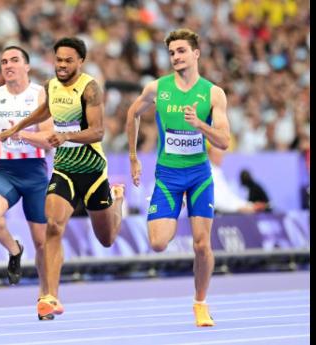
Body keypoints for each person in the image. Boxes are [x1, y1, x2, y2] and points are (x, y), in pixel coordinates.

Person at [0, 37, 125, 321]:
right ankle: (50, 297)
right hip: (64, 168)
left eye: (69, 60)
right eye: (59, 60)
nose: (63, 65)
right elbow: (45, 111)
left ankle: (117, 200)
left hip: (92, 171)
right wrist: (17, 127)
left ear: (81, 61)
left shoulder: (90, 88)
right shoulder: (51, 85)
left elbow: (98, 132)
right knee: (53, 227)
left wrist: (66, 136)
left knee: (106, 239)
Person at [126, 28, 231, 327]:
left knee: (202, 245)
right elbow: (132, 113)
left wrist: (200, 124)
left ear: (196, 53)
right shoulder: (157, 89)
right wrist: (133, 158)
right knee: (158, 243)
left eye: (181, 51)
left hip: (199, 176)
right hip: (168, 176)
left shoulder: (213, 93)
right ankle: (173, 214)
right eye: (172, 52)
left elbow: (223, 141)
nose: (176, 57)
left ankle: (200, 303)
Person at [0, 46, 54, 299]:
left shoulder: (40, 95)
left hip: (35, 174)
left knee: (42, 243)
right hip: (5, 171)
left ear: (27, 66)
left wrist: (23, 134)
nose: (8, 65)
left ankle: (45, 296)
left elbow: (51, 139)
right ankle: (15, 250)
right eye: (3, 61)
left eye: (14, 60)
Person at [208, 145, 266, 214]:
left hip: (226, 210)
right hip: (217, 214)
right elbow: (217, 202)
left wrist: (249, 205)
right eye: (219, 155)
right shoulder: (209, 173)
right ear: (210, 155)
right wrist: (240, 208)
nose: (222, 159)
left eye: (222, 156)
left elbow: (228, 196)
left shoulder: (217, 172)